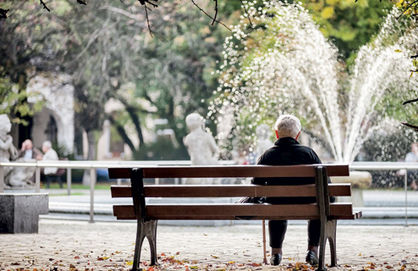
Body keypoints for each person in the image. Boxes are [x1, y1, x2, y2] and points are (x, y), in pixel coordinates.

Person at [252, 114, 323, 267]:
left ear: (277, 134)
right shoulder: (309, 154)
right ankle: (312, 250)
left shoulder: (267, 156)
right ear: (298, 134)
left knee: (276, 206)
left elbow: (255, 186)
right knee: (319, 207)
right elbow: (324, 185)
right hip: (307, 204)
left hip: (277, 204)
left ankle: (276, 253)